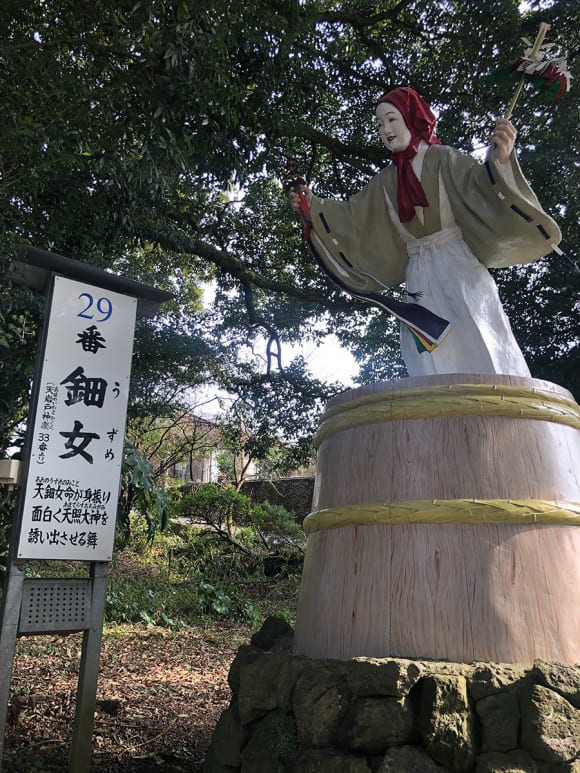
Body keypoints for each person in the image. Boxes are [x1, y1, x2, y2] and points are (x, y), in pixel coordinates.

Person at [289, 87, 562, 377]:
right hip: (418, 274)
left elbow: (483, 187)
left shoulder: (445, 158)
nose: (386, 130)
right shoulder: (384, 182)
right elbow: (352, 219)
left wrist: (501, 160)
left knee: (479, 335)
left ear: (411, 117)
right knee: (429, 355)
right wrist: (312, 206)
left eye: (392, 119)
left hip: (459, 265)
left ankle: (500, 409)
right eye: (380, 125)